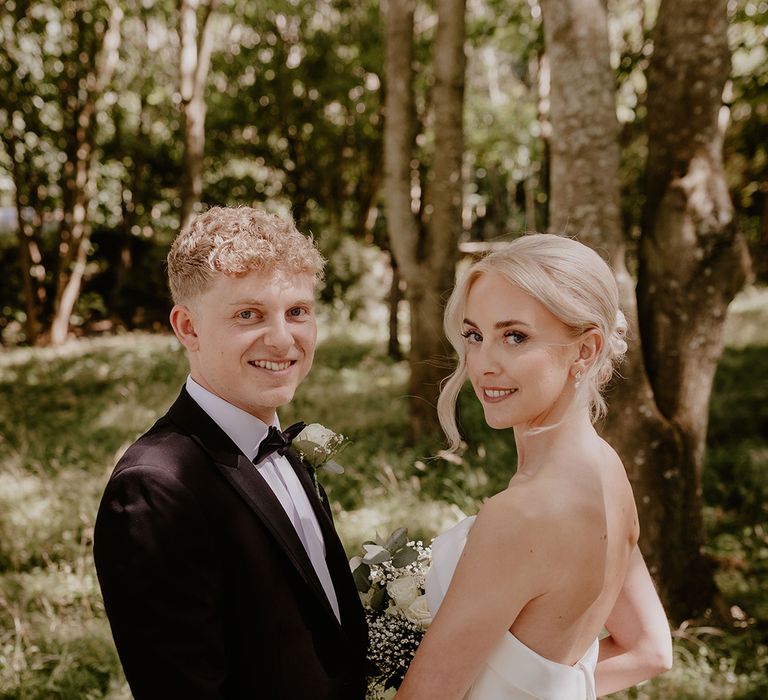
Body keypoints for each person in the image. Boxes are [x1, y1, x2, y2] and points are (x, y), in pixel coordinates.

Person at [93, 206, 367, 699]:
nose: (284, 339)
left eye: (298, 312)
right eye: (249, 314)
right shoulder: (156, 487)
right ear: (188, 327)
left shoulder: (281, 445)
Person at [397, 234, 673, 700]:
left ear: (585, 350)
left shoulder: (521, 515)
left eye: (515, 336)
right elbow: (650, 651)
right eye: (474, 335)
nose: (483, 363)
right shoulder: (608, 472)